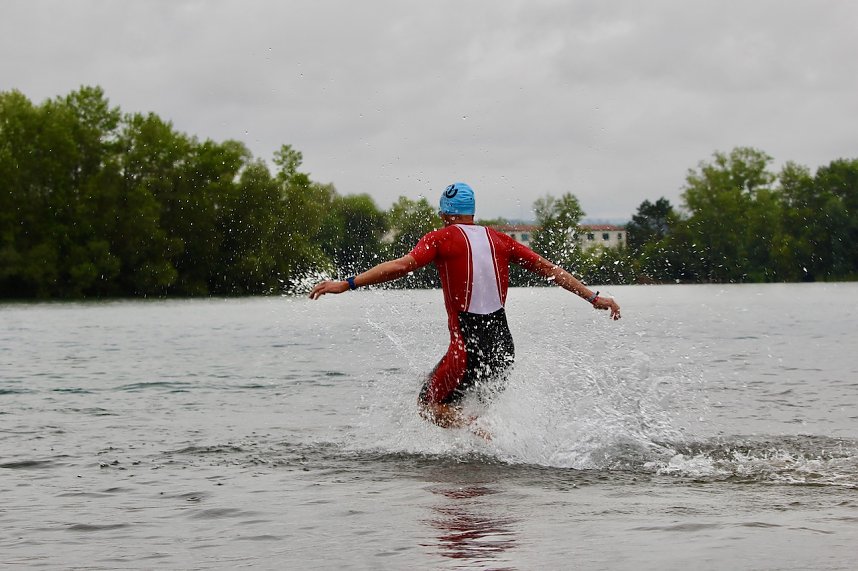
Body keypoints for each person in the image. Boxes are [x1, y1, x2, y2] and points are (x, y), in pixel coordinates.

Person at [309, 182, 621, 432]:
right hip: (503, 351)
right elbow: (551, 270)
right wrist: (593, 298)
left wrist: (347, 283)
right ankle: (495, 458)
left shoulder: (441, 238)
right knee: (466, 408)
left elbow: (401, 266)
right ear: (471, 212)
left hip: (468, 350)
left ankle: (487, 436)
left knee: (430, 407)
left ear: (444, 213)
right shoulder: (501, 240)